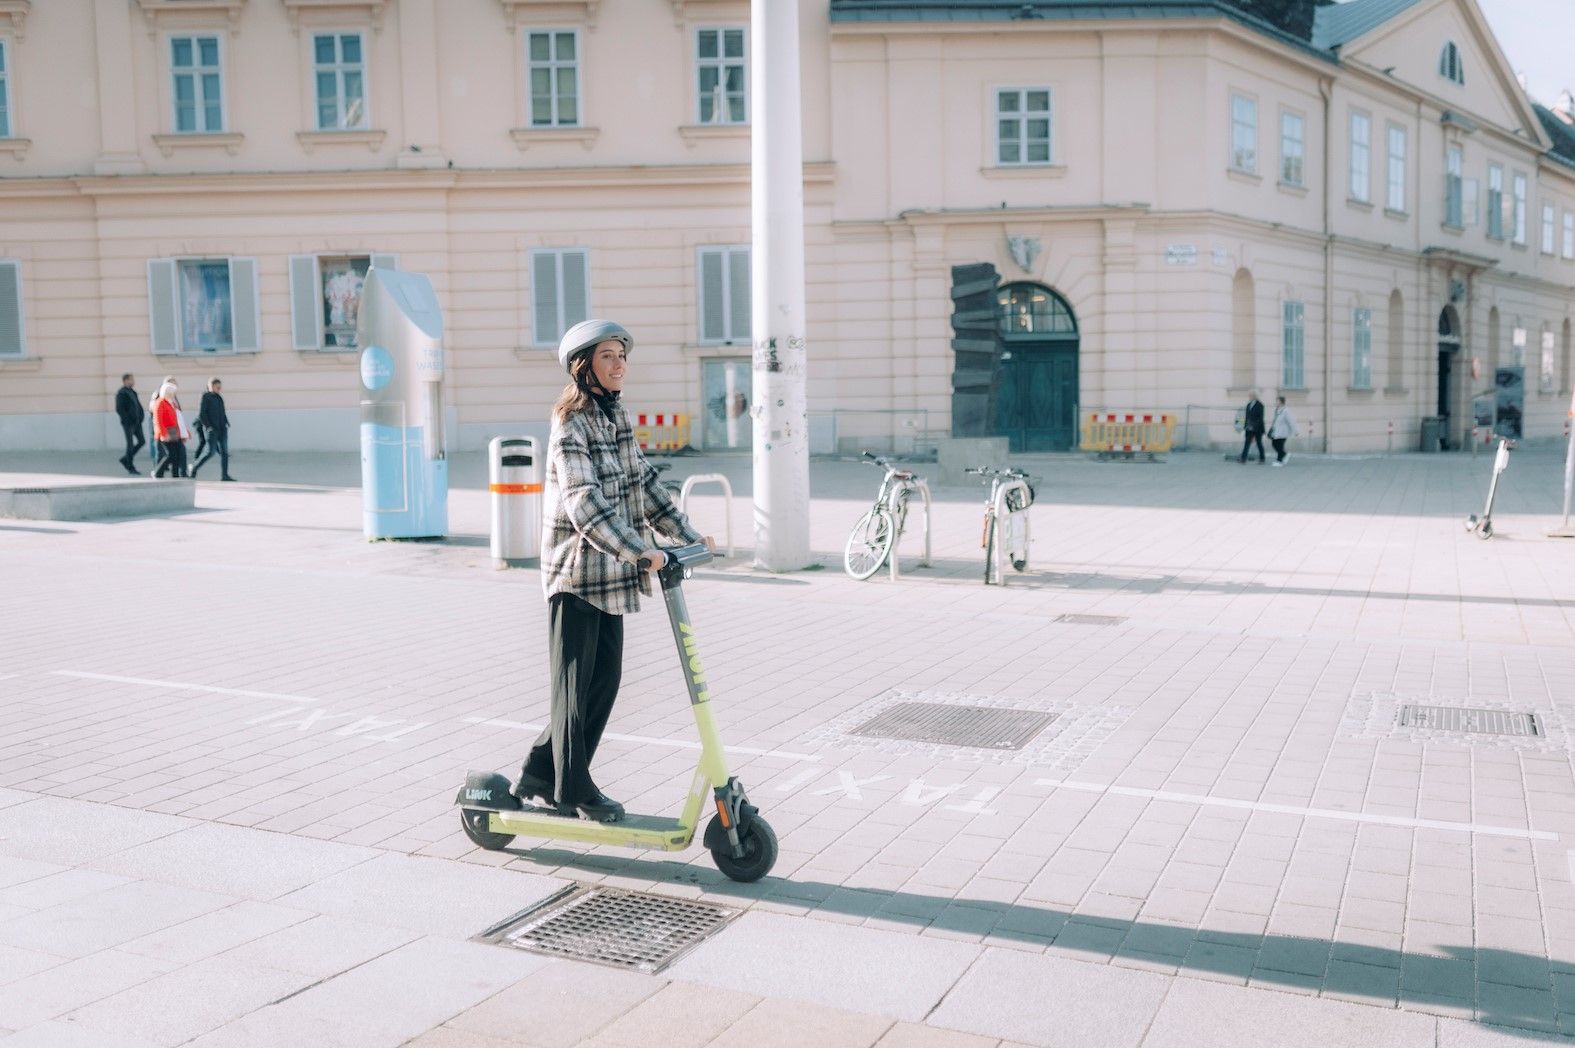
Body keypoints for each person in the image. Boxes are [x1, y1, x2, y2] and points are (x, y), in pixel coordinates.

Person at [514, 319, 712, 823]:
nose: (619, 363)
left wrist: (687, 535)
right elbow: (583, 502)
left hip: (612, 574)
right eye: (608, 355)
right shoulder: (570, 423)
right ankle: (573, 788)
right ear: (584, 367)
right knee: (573, 690)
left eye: (622, 354)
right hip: (577, 574)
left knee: (604, 681)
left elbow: (644, 485)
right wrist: (638, 551)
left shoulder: (616, 417)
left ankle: (540, 772)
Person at [190, 377, 234, 481]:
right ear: (211, 386)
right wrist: (208, 427)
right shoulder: (206, 397)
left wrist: (226, 422)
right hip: (212, 430)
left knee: (224, 453)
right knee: (210, 452)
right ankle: (194, 468)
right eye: (217, 387)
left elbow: (222, 412)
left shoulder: (219, 397)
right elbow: (202, 414)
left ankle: (225, 475)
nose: (219, 389)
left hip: (222, 429)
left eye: (220, 387)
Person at [151, 381, 190, 478]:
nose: (173, 395)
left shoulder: (171, 403)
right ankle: (158, 472)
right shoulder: (160, 403)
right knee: (170, 455)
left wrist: (184, 432)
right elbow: (158, 420)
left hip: (174, 432)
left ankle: (175, 475)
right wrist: (164, 433)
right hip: (166, 433)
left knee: (176, 456)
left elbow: (178, 419)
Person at [114, 373, 145, 475]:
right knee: (130, 445)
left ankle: (125, 459)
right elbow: (119, 409)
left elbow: (138, 405)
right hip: (128, 423)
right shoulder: (121, 393)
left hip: (137, 422)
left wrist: (141, 416)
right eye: (131, 379)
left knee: (142, 441)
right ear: (126, 380)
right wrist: (127, 419)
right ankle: (130, 466)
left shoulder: (133, 392)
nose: (133, 381)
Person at [1269, 395, 1297, 467]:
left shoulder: (1286, 410)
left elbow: (1291, 421)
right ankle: (1285, 455)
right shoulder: (1277, 410)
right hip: (1276, 432)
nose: (1276, 402)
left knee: (1280, 446)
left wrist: (1295, 431)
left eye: (1277, 401)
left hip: (1283, 432)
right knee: (1274, 444)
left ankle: (1279, 461)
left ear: (1281, 402)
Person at [1239, 391, 1266, 464]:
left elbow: (1260, 418)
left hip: (1257, 428)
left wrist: (1254, 425)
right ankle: (1243, 458)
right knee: (1247, 443)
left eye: (1250, 396)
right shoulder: (1248, 405)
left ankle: (1262, 458)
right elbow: (1247, 417)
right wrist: (1245, 427)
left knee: (1259, 443)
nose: (1249, 397)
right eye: (1249, 396)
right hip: (1249, 428)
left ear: (1254, 396)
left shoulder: (1260, 405)